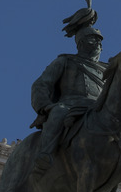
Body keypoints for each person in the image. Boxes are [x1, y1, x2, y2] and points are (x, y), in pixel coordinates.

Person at [30, 25, 108, 173]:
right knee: (58, 113)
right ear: (81, 43)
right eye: (93, 39)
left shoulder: (108, 70)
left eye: (99, 40)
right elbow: (41, 85)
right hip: (70, 106)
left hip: (99, 110)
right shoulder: (65, 61)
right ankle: (45, 154)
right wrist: (45, 106)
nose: (98, 43)